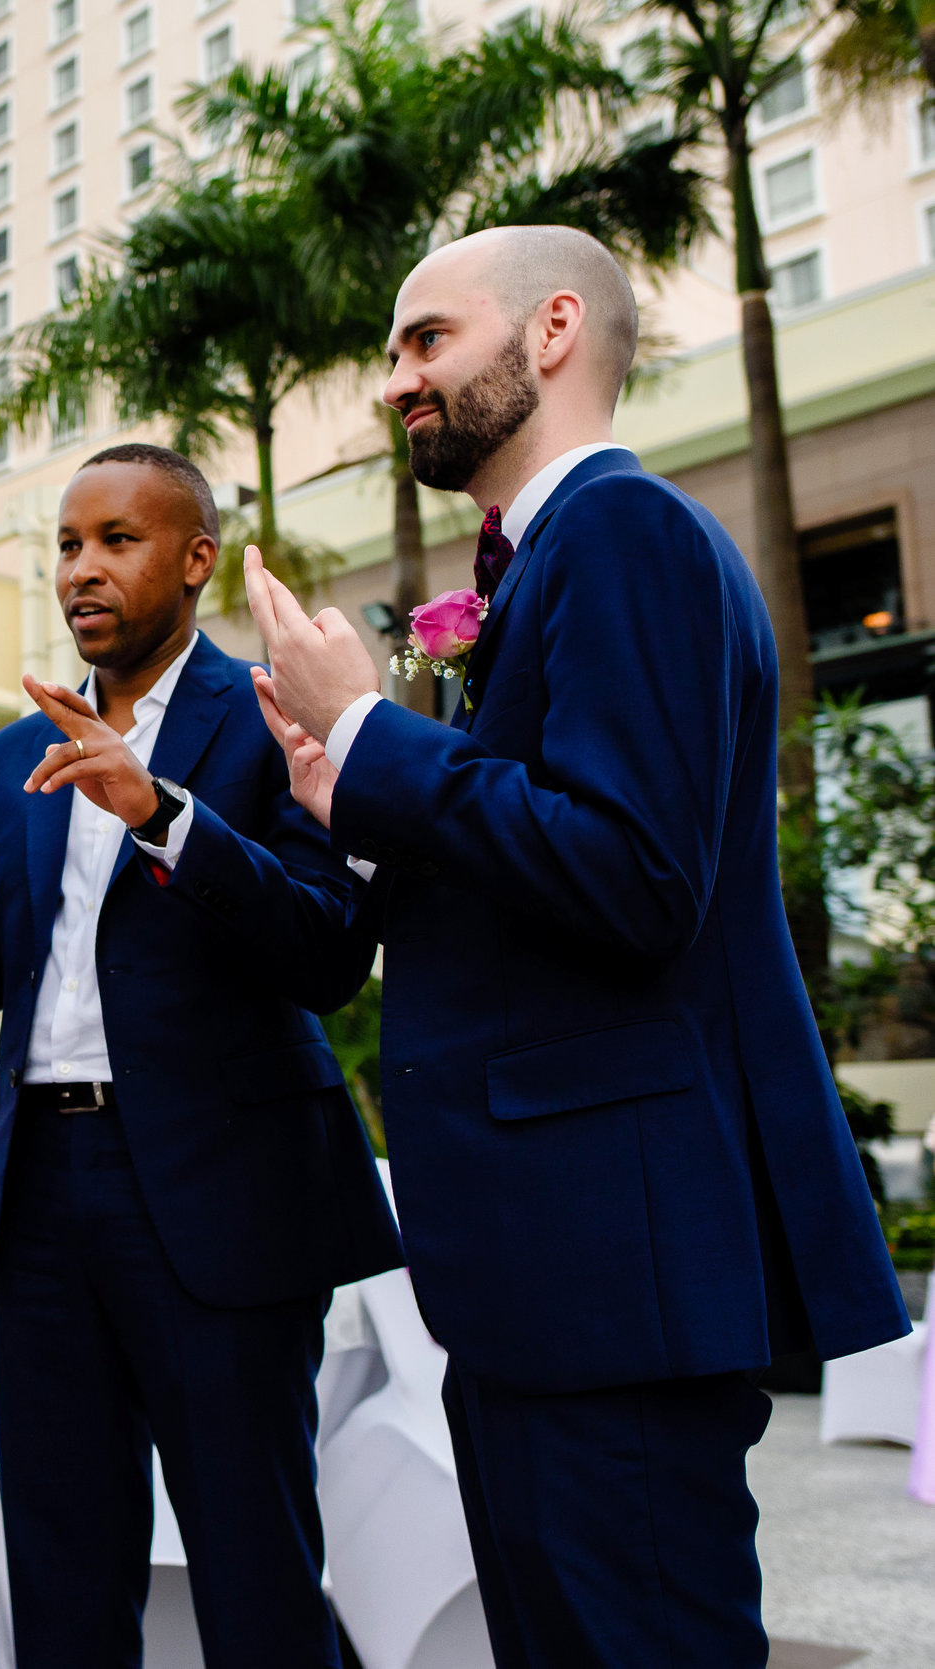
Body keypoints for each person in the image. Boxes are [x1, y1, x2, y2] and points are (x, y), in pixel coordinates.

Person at [244, 224, 910, 1668]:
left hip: (615, 1268)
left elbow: (635, 871)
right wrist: (350, 793)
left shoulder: (627, 532)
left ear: (553, 331)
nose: (394, 380)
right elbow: (532, 864)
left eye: (429, 340)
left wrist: (375, 730)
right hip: (545, 1277)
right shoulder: (545, 563)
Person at [0, 444, 401, 1668]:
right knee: (65, 1579)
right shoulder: (0, 762)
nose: (83, 568)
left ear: (195, 559)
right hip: (39, 1206)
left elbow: (329, 951)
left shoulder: (272, 712)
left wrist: (165, 815)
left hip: (221, 1196)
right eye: (68, 545)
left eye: (116, 540)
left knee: (256, 1570)